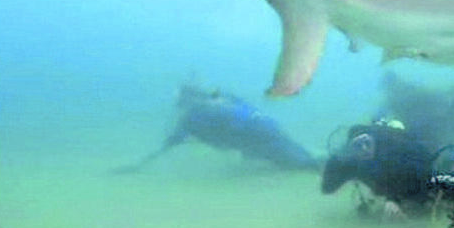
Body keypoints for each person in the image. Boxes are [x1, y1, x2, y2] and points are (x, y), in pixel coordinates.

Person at [112, 84, 319, 173]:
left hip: (260, 138)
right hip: (268, 130)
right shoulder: (222, 99)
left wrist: (140, 165)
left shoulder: (192, 117)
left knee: (303, 164)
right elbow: (249, 112)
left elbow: (170, 144)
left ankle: (332, 164)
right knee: (298, 160)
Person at [321, 120, 439, 218]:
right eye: (358, 145)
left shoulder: (392, 152)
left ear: (374, 141)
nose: (364, 148)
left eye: (367, 143)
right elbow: (327, 188)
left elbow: (420, 171)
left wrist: (393, 199)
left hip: (422, 181)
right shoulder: (352, 163)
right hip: (396, 189)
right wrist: (334, 163)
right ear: (352, 150)